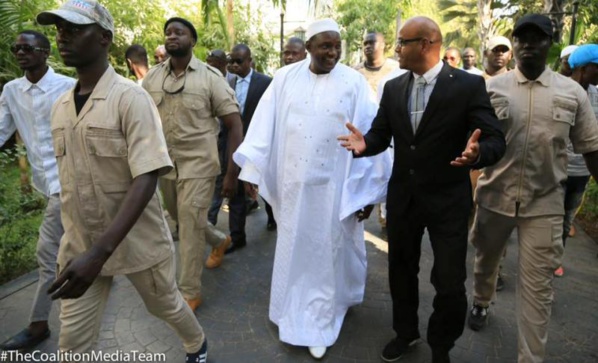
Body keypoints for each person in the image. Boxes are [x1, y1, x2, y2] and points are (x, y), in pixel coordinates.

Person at [35, 1, 208, 362]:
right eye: (59, 30)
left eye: (74, 29)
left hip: (136, 242)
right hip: (81, 246)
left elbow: (147, 176)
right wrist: (86, 250)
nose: (63, 37)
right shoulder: (61, 107)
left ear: (103, 38)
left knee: (166, 307)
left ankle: (197, 345)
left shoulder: (131, 99)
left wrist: (101, 252)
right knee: (72, 343)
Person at [338, 16, 505, 363]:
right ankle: (405, 332)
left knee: (448, 281)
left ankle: (441, 345)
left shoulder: (466, 86)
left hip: (448, 201)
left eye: (402, 42)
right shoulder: (394, 87)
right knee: (400, 270)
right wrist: (364, 144)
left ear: (427, 44)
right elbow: (382, 135)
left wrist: (477, 154)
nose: (395, 49)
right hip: (405, 199)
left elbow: (495, 140)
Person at [233, 18, 391, 359]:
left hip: (334, 189)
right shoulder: (285, 78)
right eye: (325, 46)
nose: (333, 52)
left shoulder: (353, 83)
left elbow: (368, 136)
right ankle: (290, 310)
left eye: (337, 46)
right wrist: (251, 172)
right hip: (293, 187)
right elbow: (263, 128)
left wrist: (365, 193)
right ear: (308, 48)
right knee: (295, 249)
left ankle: (319, 322)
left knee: (327, 253)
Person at [468, 15, 598, 363]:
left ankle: (531, 358)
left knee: (538, 289)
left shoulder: (571, 94)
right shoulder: (492, 88)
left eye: (537, 38)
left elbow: (591, 148)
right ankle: (481, 301)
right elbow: (471, 141)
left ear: (550, 43)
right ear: (514, 43)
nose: (528, 44)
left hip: (545, 204)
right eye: (521, 38)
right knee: (485, 262)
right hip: (495, 197)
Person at [142, 17, 243, 311]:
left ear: (193, 41)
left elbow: (234, 125)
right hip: (165, 164)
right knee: (180, 217)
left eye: (179, 32)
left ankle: (189, 292)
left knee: (188, 225)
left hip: (199, 164)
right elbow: (140, 119)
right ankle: (219, 240)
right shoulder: (151, 78)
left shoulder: (211, 78)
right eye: (168, 32)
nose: (172, 36)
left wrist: (232, 173)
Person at [0, 30, 75, 352]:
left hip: (70, 182)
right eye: (16, 48)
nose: (20, 53)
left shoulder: (68, 87)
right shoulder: (11, 90)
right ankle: (97, 275)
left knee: (47, 253)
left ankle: (38, 324)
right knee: (73, 244)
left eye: (27, 47)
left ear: (45, 52)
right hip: (45, 184)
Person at [208, 44, 274, 243]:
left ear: (249, 61)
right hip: (233, 142)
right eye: (231, 62)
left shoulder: (266, 82)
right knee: (235, 186)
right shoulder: (224, 82)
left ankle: (273, 216)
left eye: (239, 61)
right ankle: (237, 236)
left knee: (263, 183)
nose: (234, 65)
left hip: (259, 142)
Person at [556, 44, 598, 277]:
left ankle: (555, 258)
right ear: (584, 67)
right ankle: (543, 259)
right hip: (556, 169)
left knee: (566, 220)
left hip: (582, 171)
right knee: (551, 219)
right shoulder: (559, 90)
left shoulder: (597, 95)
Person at [353, 32, 400, 97]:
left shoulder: (396, 69)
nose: (367, 46)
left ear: (382, 45)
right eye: (365, 44)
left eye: (372, 43)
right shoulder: (356, 72)